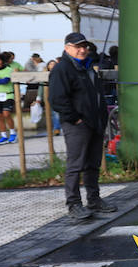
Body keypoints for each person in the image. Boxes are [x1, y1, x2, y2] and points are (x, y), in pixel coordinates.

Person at [49, 33, 114, 221]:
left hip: (95, 122)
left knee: (92, 164)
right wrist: (75, 119)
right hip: (77, 125)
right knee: (75, 165)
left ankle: (94, 199)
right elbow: (56, 99)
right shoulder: (62, 69)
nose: (82, 49)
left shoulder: (87, 67)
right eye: (77, 46)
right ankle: (74, 204)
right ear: (67, 47)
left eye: (84, 46)